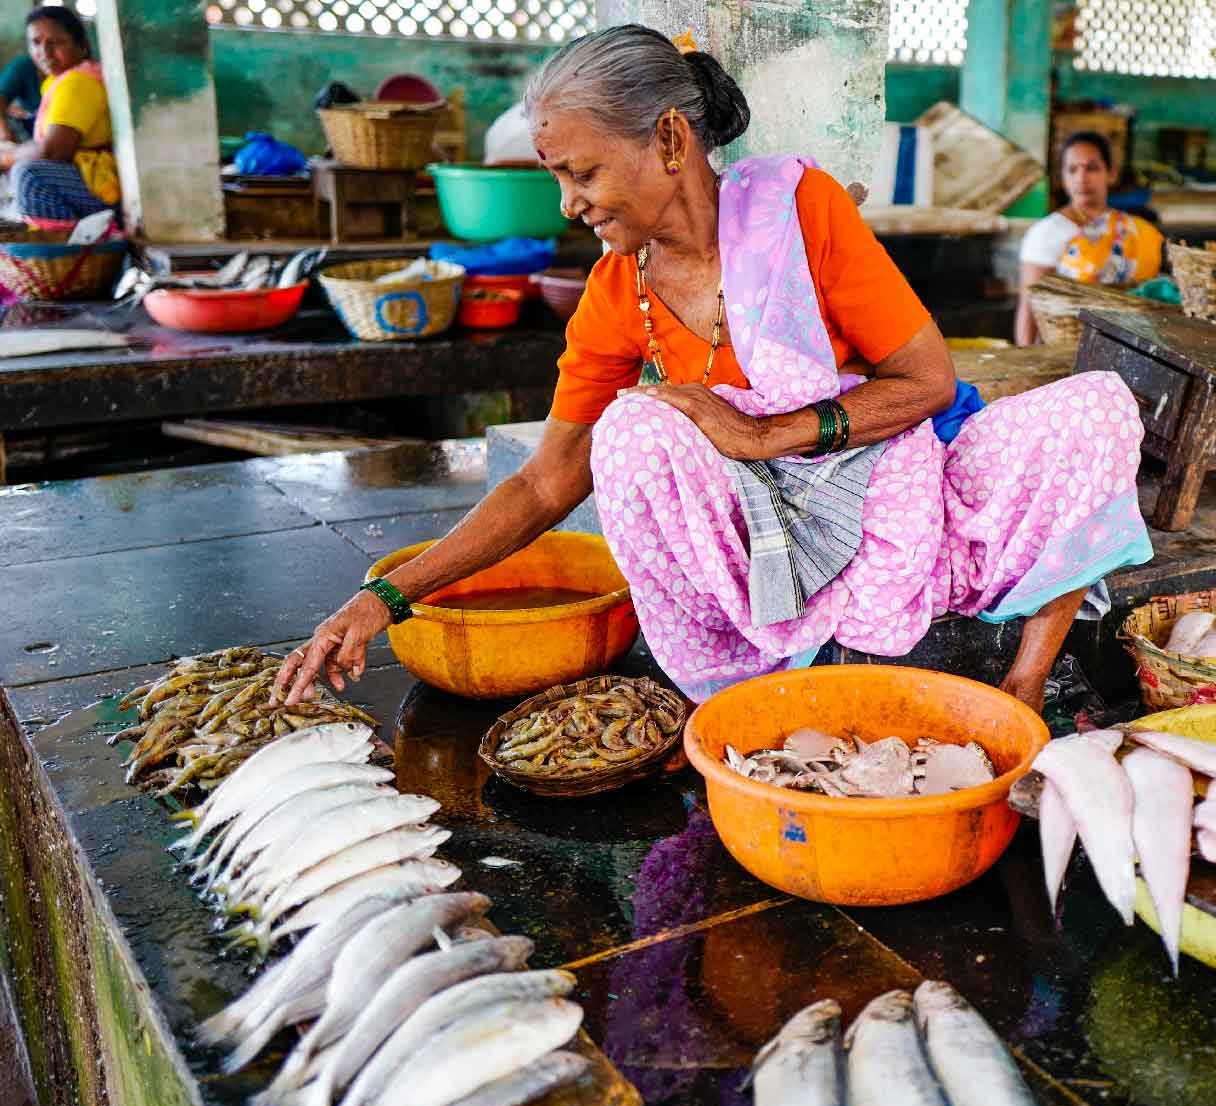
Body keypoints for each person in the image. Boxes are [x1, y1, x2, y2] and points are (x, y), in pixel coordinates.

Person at [276, 25, 1152, 711]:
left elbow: (922, 383)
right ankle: (743, 680)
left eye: (580, 171)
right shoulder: (620, 292)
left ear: (667, 139)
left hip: (891, 491)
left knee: (1097, 411)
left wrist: (769, 432)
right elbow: (547, 484)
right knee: (632, 430)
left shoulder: (797, 209)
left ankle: (1026, 684)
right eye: (556, 177)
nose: (567, 202)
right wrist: (385, 596)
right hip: (761, 537)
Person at [1012, 131, 1163, 345]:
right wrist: (1027, 359)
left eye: (1091, 168)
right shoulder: (1047, 233)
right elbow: (1029, 306)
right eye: (1072, 169)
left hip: (1133, 344)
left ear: (1110, 173)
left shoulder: (1138, 231)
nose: (1081, 178)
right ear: (1063, 177)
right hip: (1067, 348)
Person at [0, 7, 117, 231]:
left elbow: (53, 152)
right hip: (88, 185)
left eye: (56, 42)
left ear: (82, 46)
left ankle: (68, 255)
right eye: (36, 42)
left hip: (102, 189)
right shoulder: (60, 81)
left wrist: (7, 157)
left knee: (30, 174)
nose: (44, 52)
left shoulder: (78, 82)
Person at [0, 53, 40, 144]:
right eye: (36, 43)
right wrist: (4, 130)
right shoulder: (25, 65)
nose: (45, 51)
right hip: (29, 129)